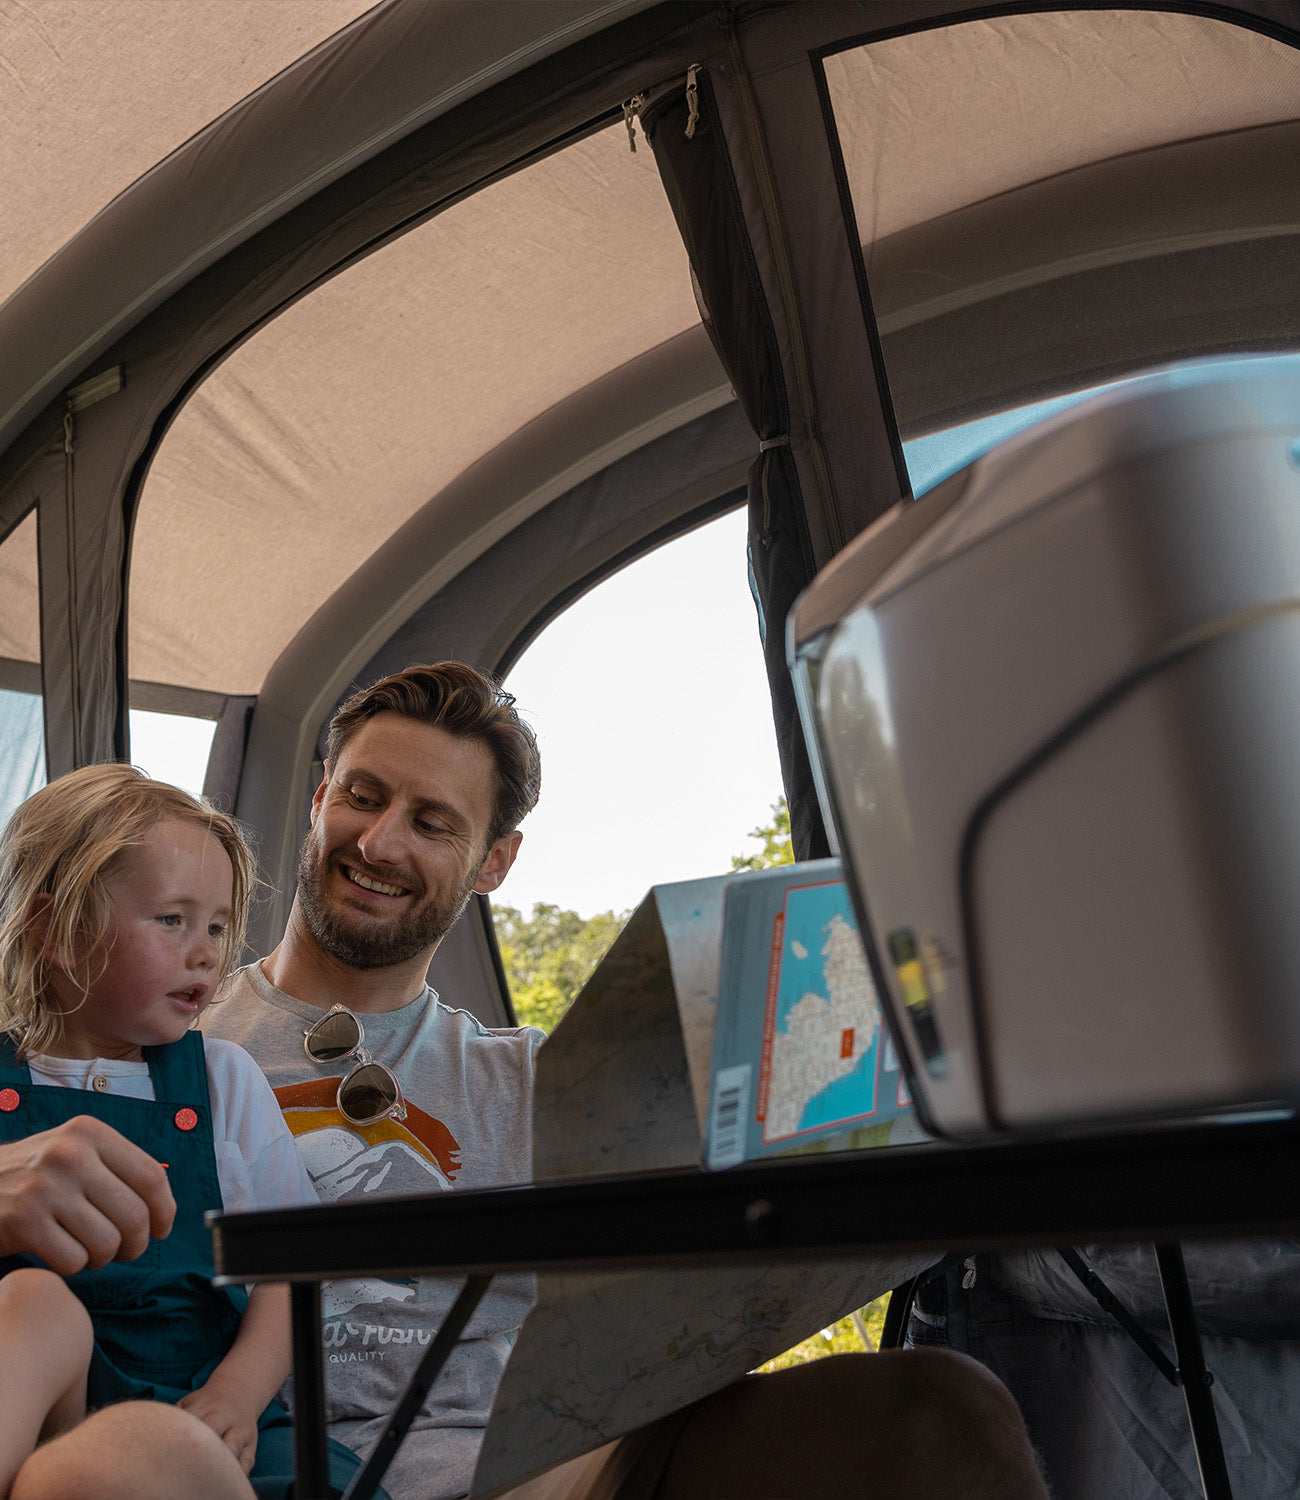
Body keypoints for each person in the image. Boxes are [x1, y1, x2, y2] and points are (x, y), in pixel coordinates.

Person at [0, 665, 1049, 1500]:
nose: (380, 840)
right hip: (273, 1460)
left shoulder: (544, 1079)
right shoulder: (147, 1042)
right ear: (317, 801)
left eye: (433, 820)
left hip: (551, 1465)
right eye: (362, 798)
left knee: (937, 1411)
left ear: (495, 861)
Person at [0, 765, 382, 1500]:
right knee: (34, 1307)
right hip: (43, 1409)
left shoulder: (221, 1081)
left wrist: (238, 1394)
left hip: (195, 1406)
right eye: (172, 919)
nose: (206, 952)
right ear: (54, 927)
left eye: (215, 925)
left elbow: (290, 1271)